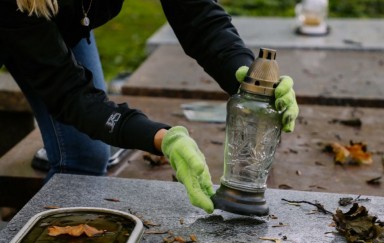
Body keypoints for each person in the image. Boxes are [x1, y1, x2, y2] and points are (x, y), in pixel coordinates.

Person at [0, 0, 299, 213]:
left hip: (62, 21)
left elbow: (198, 17)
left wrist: (248, 78)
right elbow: (70, 95)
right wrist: (158, 137)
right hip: (23, 11)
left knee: (84, 157)